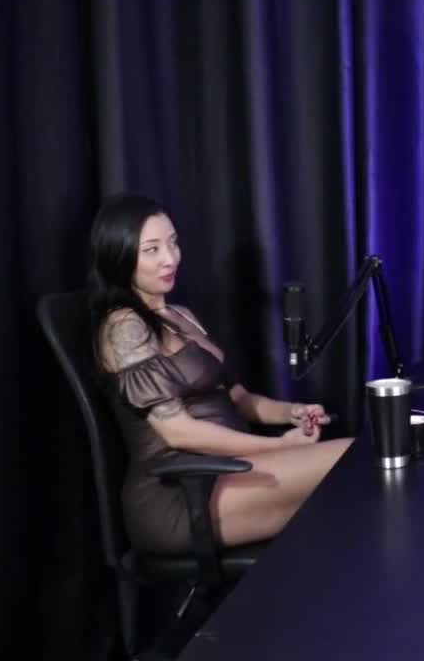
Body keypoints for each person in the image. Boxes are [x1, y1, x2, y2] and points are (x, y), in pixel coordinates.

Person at [87, 194, 353, 554]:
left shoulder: (182, 315)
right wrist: (279, 446)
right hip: (180, 494)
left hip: (226, 471)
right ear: (120, 257)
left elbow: (238, 399)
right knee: (354, 463)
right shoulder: (125, 327)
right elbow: (178, 431)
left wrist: (292, 413)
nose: (170, 258)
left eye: (173, 242)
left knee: (345, 501)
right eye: (151, 250)